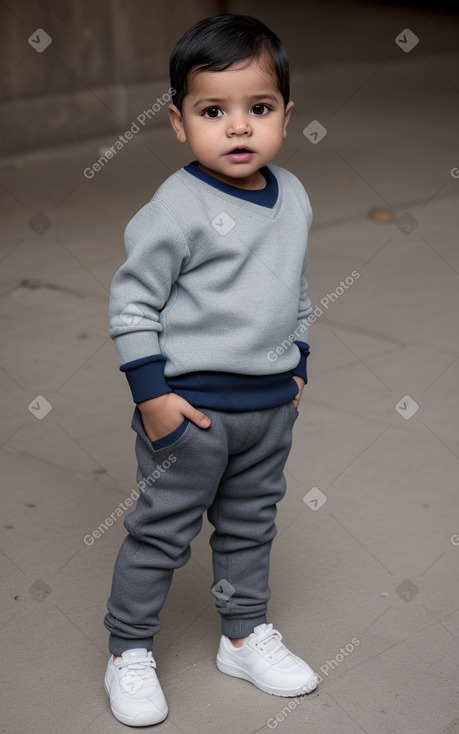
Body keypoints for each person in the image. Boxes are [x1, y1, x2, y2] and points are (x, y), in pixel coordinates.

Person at [103, 13, 318, 727]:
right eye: (212, 111)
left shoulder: (292, 197)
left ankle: (241, 635)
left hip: (267, 410)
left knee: (250, 527)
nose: (237, 128)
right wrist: (152, 398)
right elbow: (133, 303)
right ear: (177, 121)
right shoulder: (176, 207)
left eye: (257, 109)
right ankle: (128, 649)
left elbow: (296, 291)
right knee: (162, 531)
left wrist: (297, 368)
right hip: (190, 412)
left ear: (285, 117)